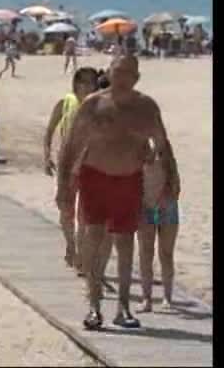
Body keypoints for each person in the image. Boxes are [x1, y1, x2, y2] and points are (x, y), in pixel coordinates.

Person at [56, 55, 180, 330]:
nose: (122, 77)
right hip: (94, 178)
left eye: (128, 73)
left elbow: (162, 144)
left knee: (125, 243)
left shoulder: (146, 108)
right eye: (118, 71)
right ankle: (94, 305)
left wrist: (172, 179)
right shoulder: (94, 105)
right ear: (110, 73)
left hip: (129, 179)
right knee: (94, 238)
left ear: (136, 78)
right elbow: (71, 145)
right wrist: (64, 187)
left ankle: (123, 307)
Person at [43, 67, 102, 274]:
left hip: (89, 165)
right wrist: (46, 155)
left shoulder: (99, 106)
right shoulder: (65, 102)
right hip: (66, 164)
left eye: (90, 82)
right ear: (75, 84)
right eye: (82, 82)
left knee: (85, 214)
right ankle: (70, 245)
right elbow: (50, 130)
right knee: (65, 210)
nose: (86, 86)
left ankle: (82, 259)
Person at [137, 139, 180, 312]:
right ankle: (146, 298)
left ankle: (167, 298)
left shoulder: (164, 149)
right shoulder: (136, 150)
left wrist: (166, 196)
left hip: (166, 207)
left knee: (166, 253)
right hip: (145, 207)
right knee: (145, 254)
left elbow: (176, 184)